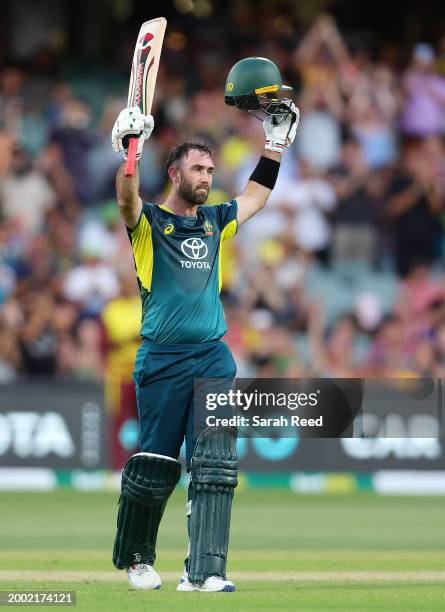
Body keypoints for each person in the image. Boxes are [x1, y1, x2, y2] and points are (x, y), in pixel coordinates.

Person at [110, 57, 299, 593]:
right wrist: (127, 153)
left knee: (215, 467)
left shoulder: (216, 222)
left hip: (212, 356)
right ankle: (138, 559)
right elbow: (126, 201)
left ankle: (207, 572)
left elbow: (257, 196)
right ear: (175, 173)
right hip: (163, 358)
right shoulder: (149, 223)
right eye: (198, 170)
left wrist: (274, 146)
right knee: (154, 466)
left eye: (211, 172)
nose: (207, 178)